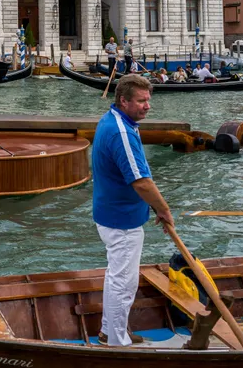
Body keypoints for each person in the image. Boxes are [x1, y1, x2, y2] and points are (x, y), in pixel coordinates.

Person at [92, 75, 174, 346]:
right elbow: (141, 180)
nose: (147, 106)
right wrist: (163, 209)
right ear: (123, 101)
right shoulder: (122, 132)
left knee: (117, 277)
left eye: (148, 100)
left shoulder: (117, 121)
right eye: (141, 101)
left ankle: (110, 332)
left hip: (114, 214)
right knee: (124, 284)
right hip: (121, 220)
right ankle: (116, 343)